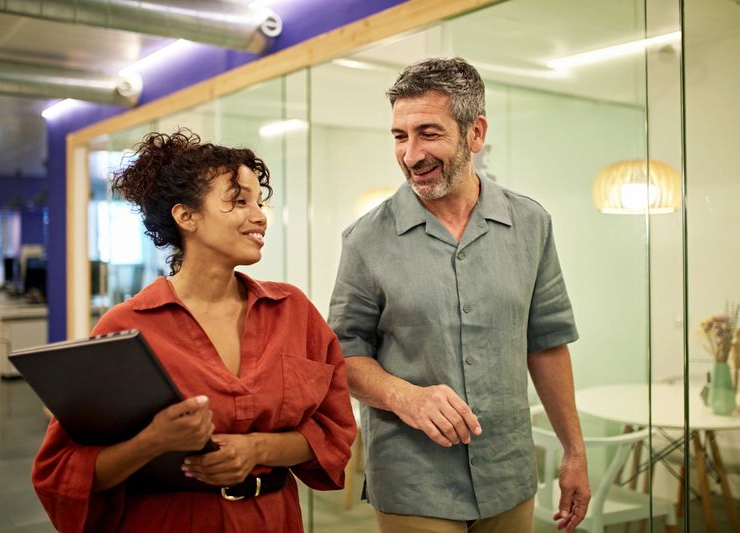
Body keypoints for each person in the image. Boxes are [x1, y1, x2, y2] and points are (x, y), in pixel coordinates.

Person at [32, 130, 356, 533]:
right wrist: (153, 440)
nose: (259, 216)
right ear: (186, 217)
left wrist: (257, 447)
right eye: (239, 202)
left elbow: (334, 430)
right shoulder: (126, 326)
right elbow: (65, 471)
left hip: (273, 517)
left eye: (259, 202)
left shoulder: (293, 312)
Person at [328, 57, 590, 533]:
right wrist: (404, 396)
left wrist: (574, 450)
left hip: (508, 471)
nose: (410, 155)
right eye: (399, 136)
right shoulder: (366, 240)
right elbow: (342, 355)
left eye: (428, 133)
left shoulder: (531, 225)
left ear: (475, 133)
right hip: (413, 478)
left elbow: (548, 342)